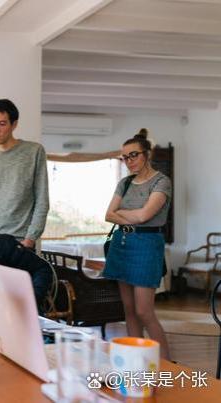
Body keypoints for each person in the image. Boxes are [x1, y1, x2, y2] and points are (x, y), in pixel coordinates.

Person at [103, 129, 171, 359]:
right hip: (122, 243)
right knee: (129, 311)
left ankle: (166, 366)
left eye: (134, 155)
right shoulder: (125, 183)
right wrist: (126, 215)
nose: (128, 161)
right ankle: (136, 361)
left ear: (147, 154)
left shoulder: (162, 181)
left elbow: (144, 216)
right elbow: (108, 215)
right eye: (124, 157)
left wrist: (121, 213)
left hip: (147, 246)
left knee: (144, 311)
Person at [0, 99, 49, 249]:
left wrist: (30, 239)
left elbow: (42, 200)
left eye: (1, 124)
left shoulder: (34, 151)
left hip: (20, 240)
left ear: (14, 124)